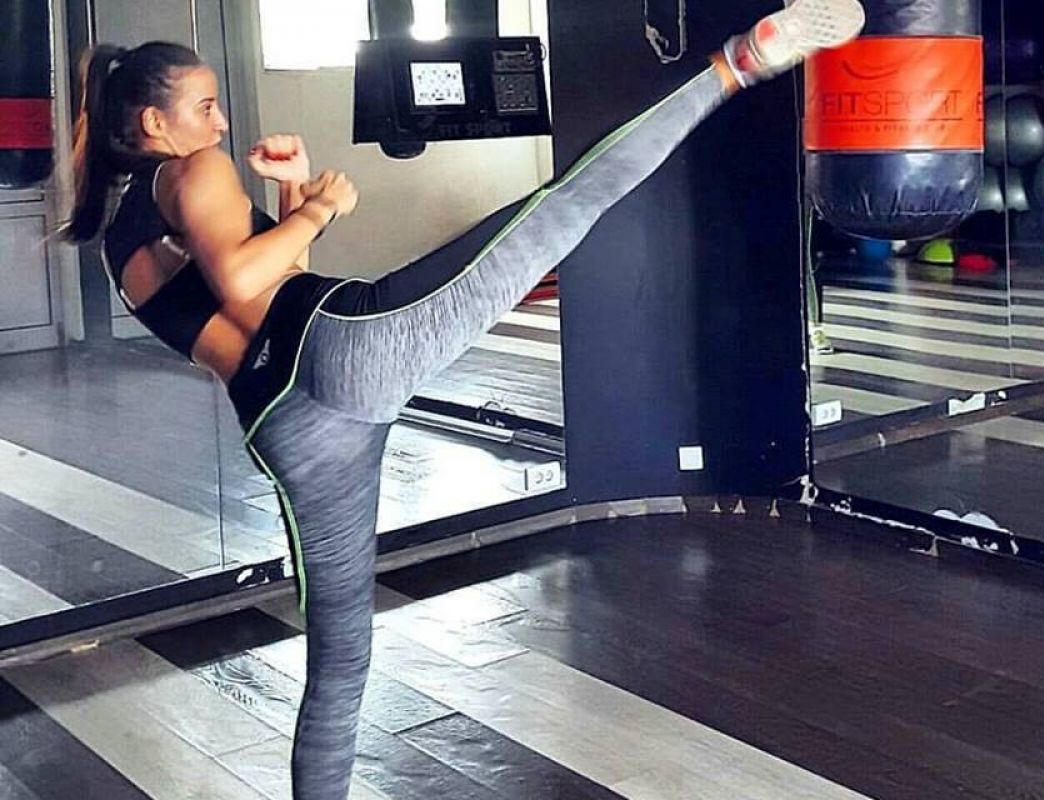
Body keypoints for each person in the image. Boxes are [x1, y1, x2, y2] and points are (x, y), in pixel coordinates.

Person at [63, 1, 864, 797]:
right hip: (344, 347)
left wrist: (291, 197)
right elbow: (246, 280)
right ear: (154, 123)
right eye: (205, 106)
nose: (220, 122)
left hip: (289, 426)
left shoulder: (118, 235)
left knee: (340, 663)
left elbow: (249, 302)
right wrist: (318, 206)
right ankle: (739, 62)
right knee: (568, 201)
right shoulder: (193, 168)